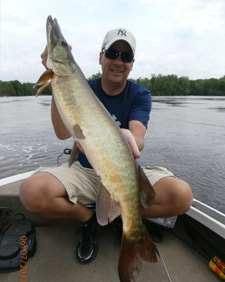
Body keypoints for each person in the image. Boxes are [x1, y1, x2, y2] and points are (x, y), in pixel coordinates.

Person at [20, 28, 193, 263]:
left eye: (126, 56)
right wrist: (56, 81)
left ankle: (123, 218)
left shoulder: (140, 94)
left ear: (132, 64)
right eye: (112, 53)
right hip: (85, 172)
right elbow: (62, 133)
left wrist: (128, 137)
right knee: (31, 193)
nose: (119, 61)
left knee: (182, 196)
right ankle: (88, 219)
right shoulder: (81, 86)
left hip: (123, 172)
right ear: (101, 57)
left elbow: (138, 138)